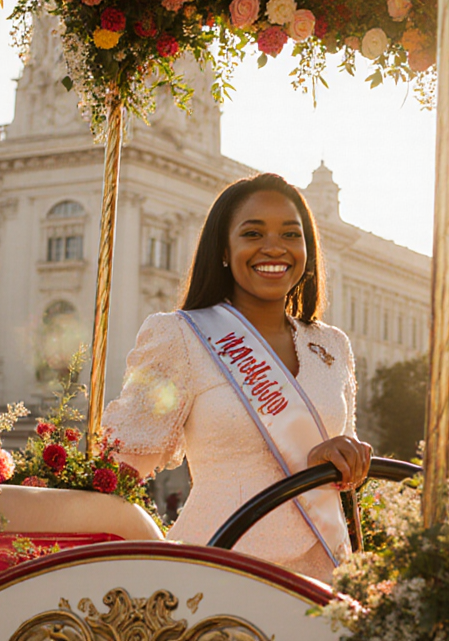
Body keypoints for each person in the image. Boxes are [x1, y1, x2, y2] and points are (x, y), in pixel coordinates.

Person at [104, 173, 373, 582]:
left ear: (307, 249)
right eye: (252, 232)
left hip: (326, 576)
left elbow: (344, 451)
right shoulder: (180, 336)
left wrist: (348, 456)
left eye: (290, 233)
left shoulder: (332, 346)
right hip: (220, 571)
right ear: (224, 250)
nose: (274, 247)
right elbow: (121, 468)